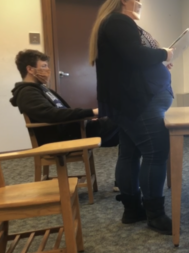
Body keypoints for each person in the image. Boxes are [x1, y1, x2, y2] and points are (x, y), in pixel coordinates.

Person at [88, 0, 175, 235]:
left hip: (129, 101)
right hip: (138, 102)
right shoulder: (118, 21)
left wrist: (157, 65)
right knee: (155, 153)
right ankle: (155, 215)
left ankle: (132, 209)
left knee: (129, 154)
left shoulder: (113, 23)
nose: (139, 3)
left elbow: (129, 60)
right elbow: (136, 55)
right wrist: (164, 54)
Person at [10, 49, 120, 189]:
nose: (47, 70)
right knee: (125, 123)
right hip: (64, 136)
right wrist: (91, 112)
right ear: (30, 69)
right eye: (43, 66)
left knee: (125, 126)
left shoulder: (40, 89)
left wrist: (85, 119)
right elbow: (51, 114)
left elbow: (62, 112)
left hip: (72, 130)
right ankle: (125, 182)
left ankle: (124, 181)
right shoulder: (28, 93)